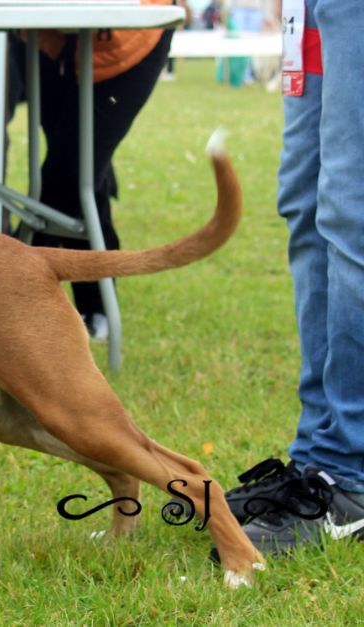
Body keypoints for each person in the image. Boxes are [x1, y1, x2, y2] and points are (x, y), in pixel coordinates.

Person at [220, 0, 364, 553]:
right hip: (310, 13)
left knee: (352, 212)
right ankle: (317, 458)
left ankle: (349, 476)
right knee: (306, 208)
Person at [23, 5, 175, 340]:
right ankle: (89, 306)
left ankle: (27, 298)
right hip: (53, 39)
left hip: (129, 37)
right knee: (79, 178)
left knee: (68, 180)